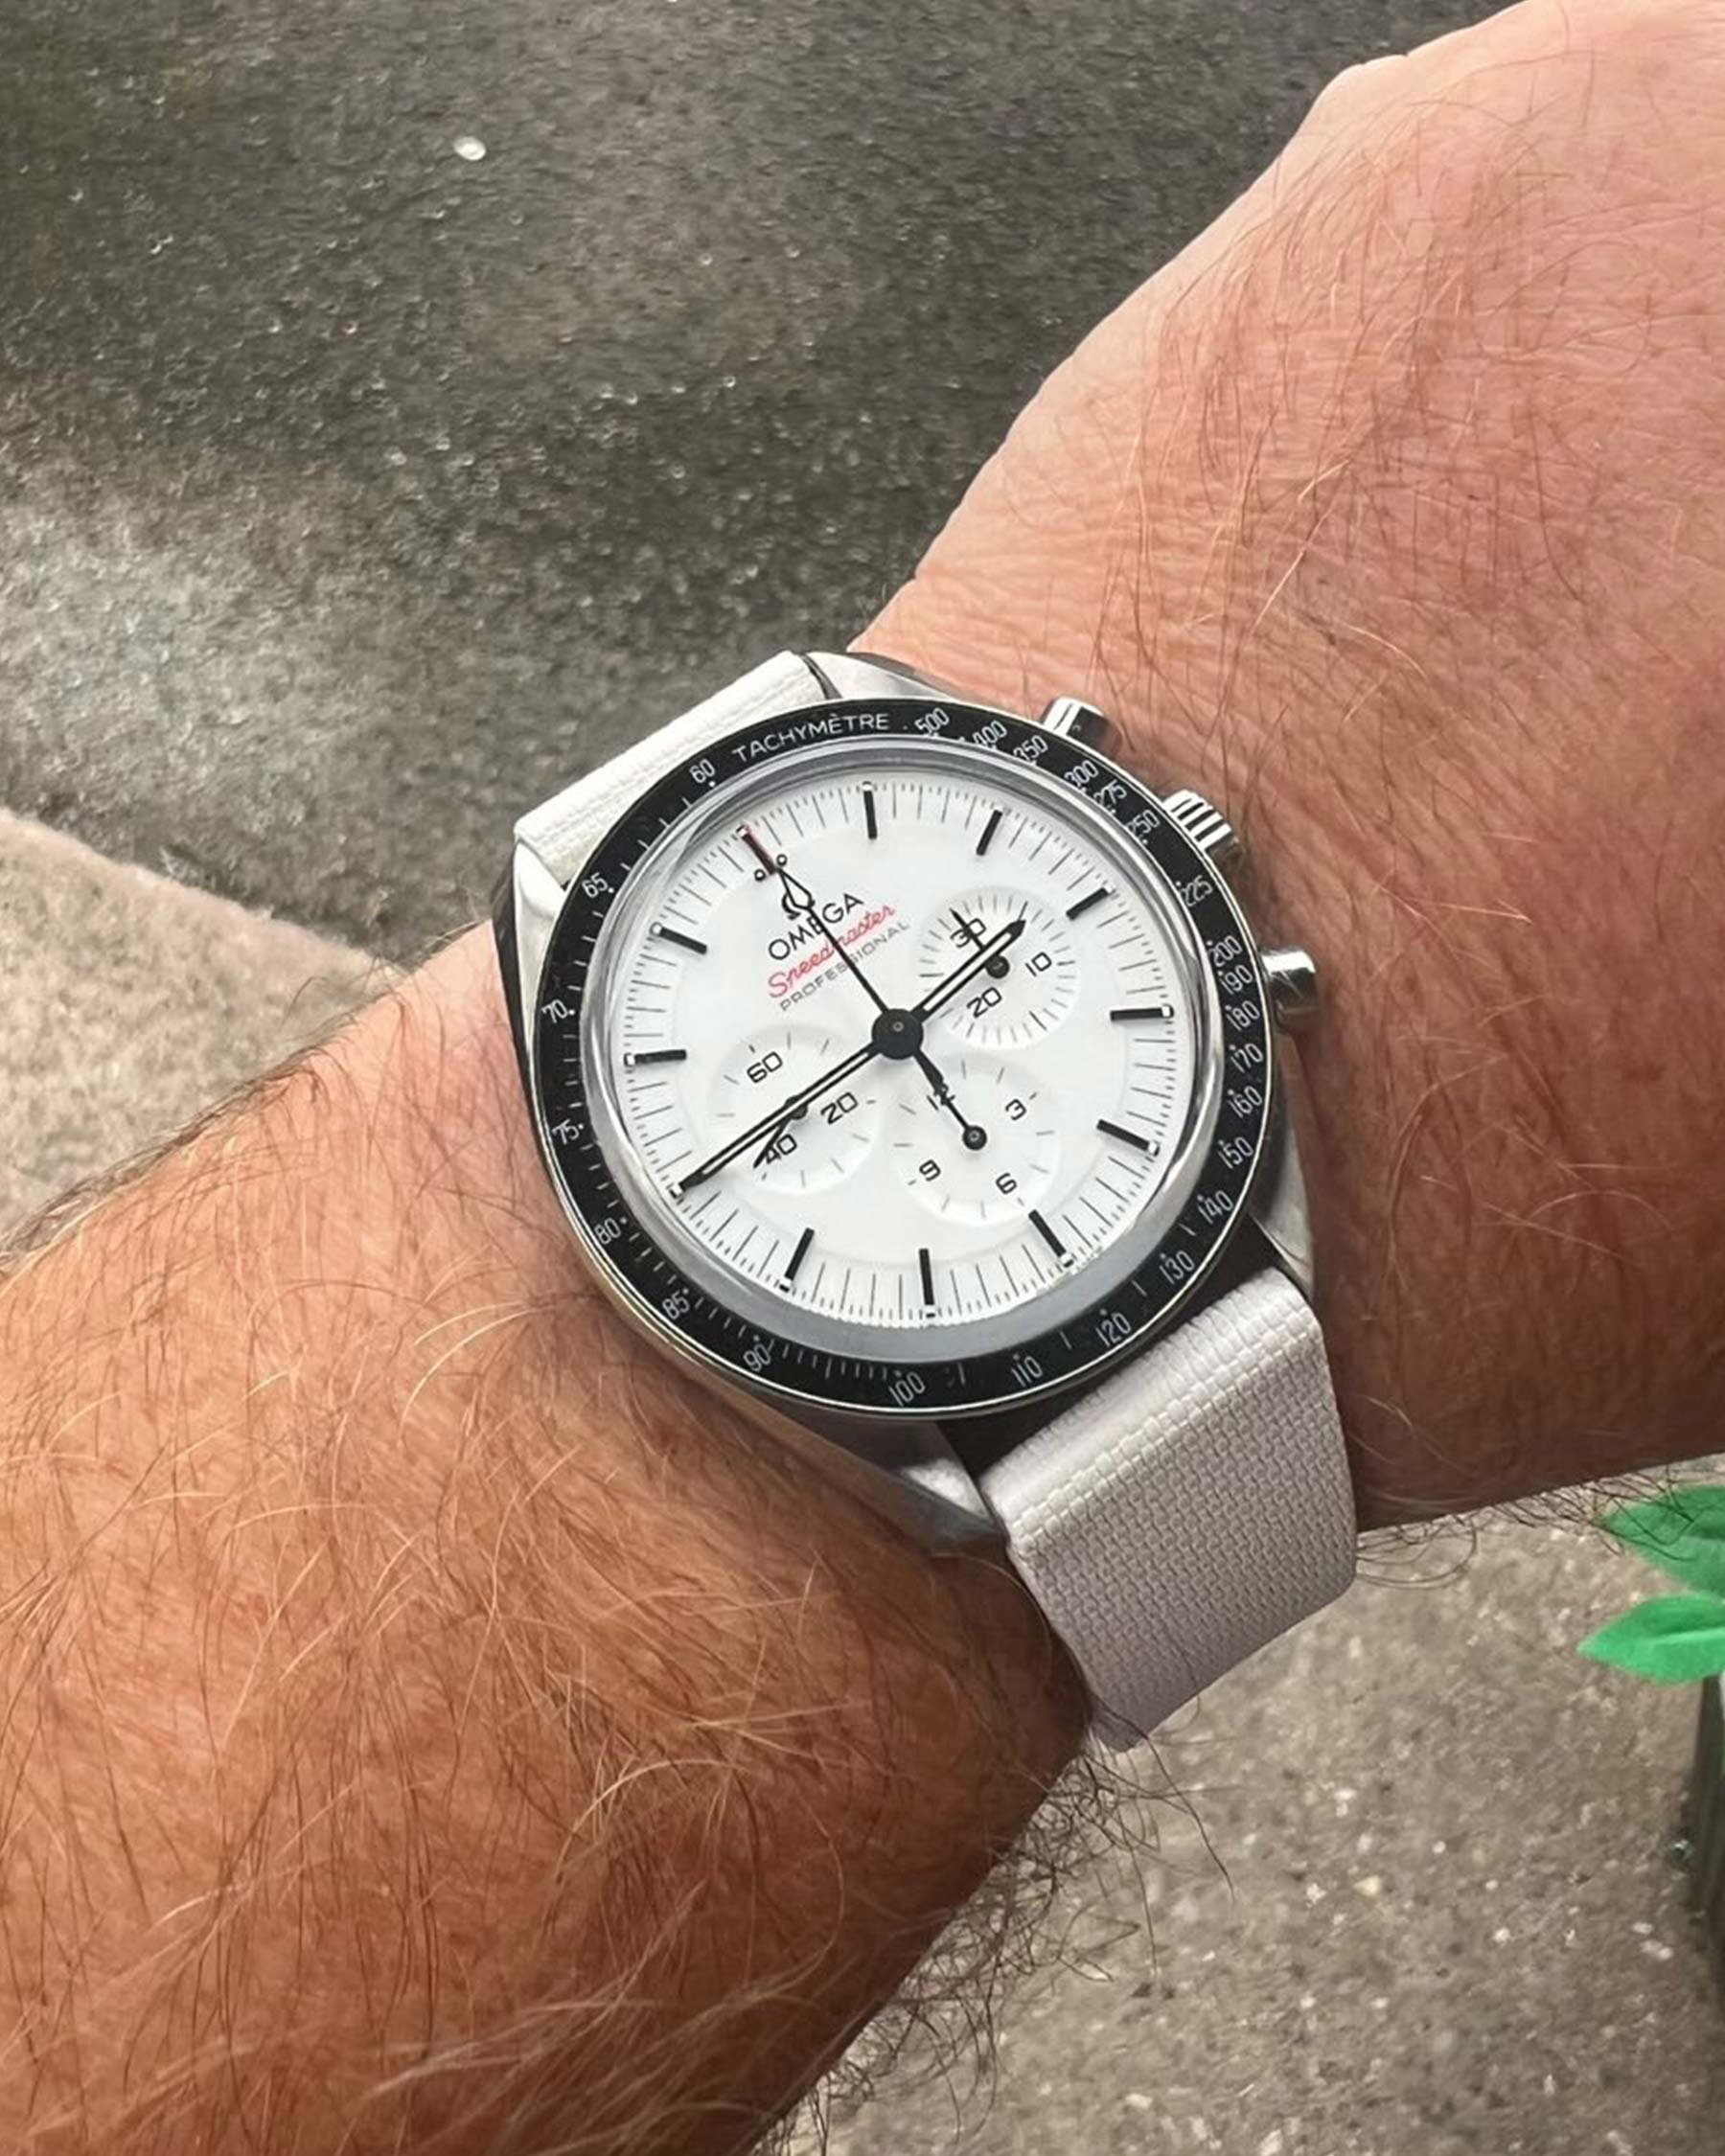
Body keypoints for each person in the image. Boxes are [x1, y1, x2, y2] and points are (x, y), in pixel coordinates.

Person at [4, 0, 1723, 2146]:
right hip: (915, 1356)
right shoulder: (718, 1081)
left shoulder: (941, 846)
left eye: (922, 987)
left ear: (1216, 925)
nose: (900, 1022)